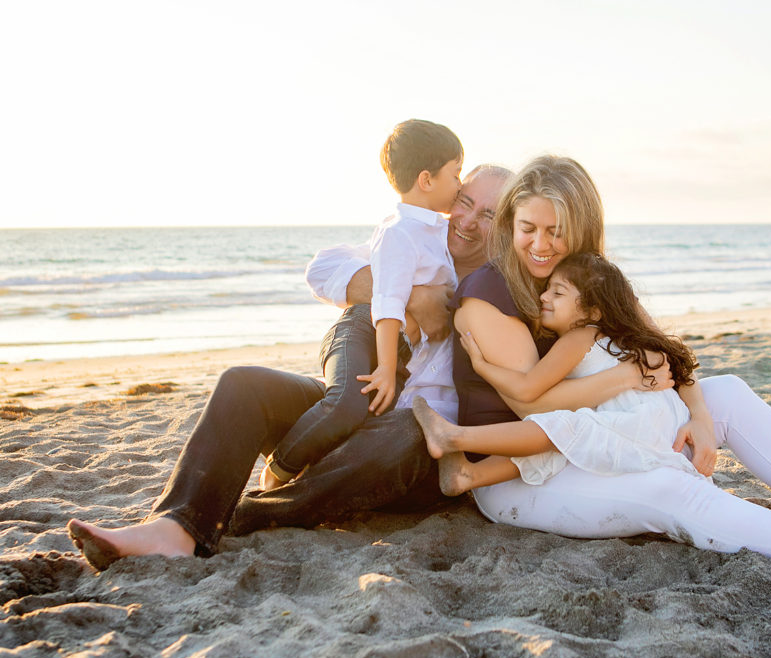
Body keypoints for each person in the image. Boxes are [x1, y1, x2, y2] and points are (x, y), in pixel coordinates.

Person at [65, 165, 660, 570]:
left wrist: (677, 395)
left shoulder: (513, 291)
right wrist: (400, 295)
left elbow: (619, 340)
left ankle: (239, 520)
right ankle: (177, 523)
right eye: (464, 202)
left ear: (507, 224)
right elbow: (323, 268)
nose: (469, 220)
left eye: (489, 213)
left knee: (409, 430)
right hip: (358, 407)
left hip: (419, 450)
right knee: (244, 384)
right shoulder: (409, 246)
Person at [445, 154, 771, 588]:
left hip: (606, 435)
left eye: (556, 232)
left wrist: (701, 416)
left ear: (580, 228)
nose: (540, 245)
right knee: (672, 493)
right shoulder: (490, 296)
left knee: (726, 390)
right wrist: (627, 379)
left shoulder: (587, 278)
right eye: (528, 229)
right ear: (511, 223)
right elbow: (531, 406)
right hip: (526, 475)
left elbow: (661, 347)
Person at [259, 119, 463, 490]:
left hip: (409, 352)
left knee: (367, 423)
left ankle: (309, 464)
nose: (460, 185)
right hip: (387, 343)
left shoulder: (432, 227)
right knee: (343, 407)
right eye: (456, 173)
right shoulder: (399, 232)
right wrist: (385, 366)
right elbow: (387, 305)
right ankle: (280, 467)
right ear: (426, 179)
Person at [413, 251, 706, 494]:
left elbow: (528, 389)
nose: (544, 297)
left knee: (558, 428)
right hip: (659, 421)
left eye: (558, 292)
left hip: (641, 423)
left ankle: (455, 438)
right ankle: (469, 475)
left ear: (592, 311)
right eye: (547, 288)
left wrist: (481, 366)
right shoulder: (607, 337)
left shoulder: (578, 338)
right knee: (561, 439)